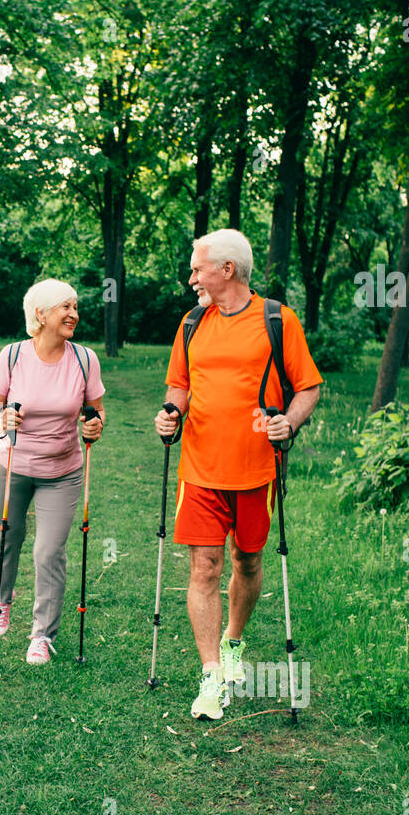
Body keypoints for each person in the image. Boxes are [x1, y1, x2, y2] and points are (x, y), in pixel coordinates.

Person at [154, 229, 322, 719]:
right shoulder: (191, 324)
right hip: (200, 470)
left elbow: (309, 386)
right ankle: (210, 676)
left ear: (226, 270)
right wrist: (169, 414)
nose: (191, 279)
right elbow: (178, 386)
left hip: (256, 472)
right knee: (203, 567)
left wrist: (288, 421)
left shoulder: (277, 320)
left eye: (197, 268)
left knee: (246, 563)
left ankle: (233, 643)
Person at [0, 279, 106, 665]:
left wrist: (95, 425)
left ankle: (42, 635)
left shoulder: (85, 359)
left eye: (75, 307)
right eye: (65, 307)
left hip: (63, 470)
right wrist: (0, 420)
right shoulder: (14, 356)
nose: (74, 314)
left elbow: (97, 411)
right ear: (41, 314)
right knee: (8, 537)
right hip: (11, 464)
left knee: (49, 551)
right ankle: (2, 602)